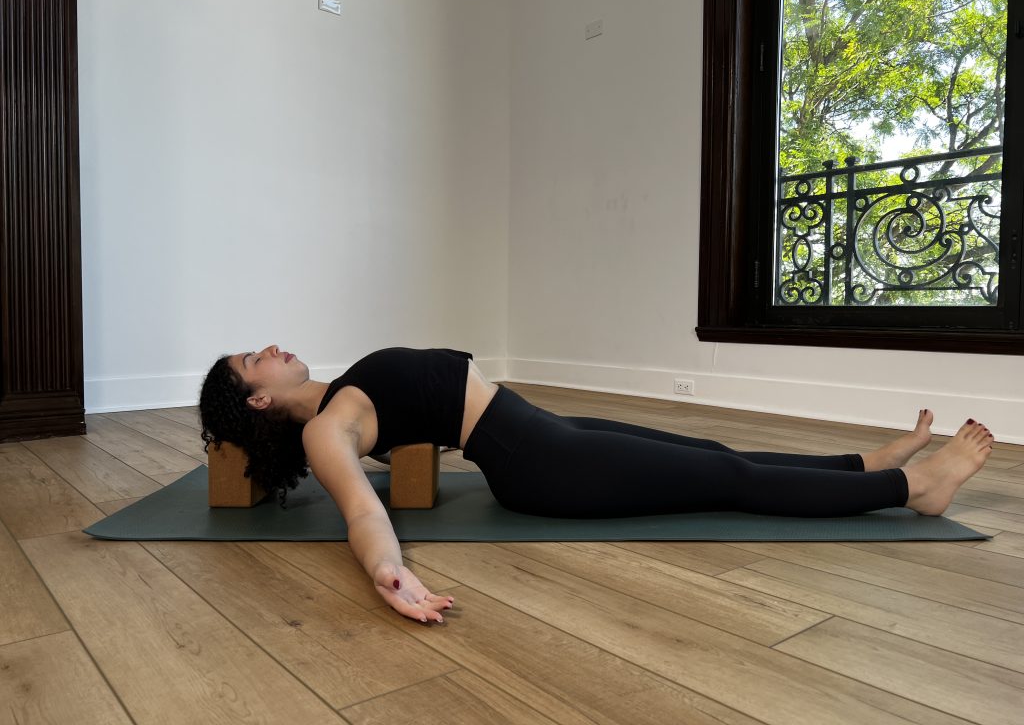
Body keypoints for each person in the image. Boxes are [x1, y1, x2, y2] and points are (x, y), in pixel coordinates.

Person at [198, 345, 994, 624]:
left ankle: (866, 467)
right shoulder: (323, 427)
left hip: (546, 435)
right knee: (726, 479)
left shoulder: (340, 393)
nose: (268, 346)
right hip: (545, 466)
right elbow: (362, 508)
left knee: (711, 451)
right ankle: (914, 493)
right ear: (258, 399)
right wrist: (387, 569)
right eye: (251, 360)